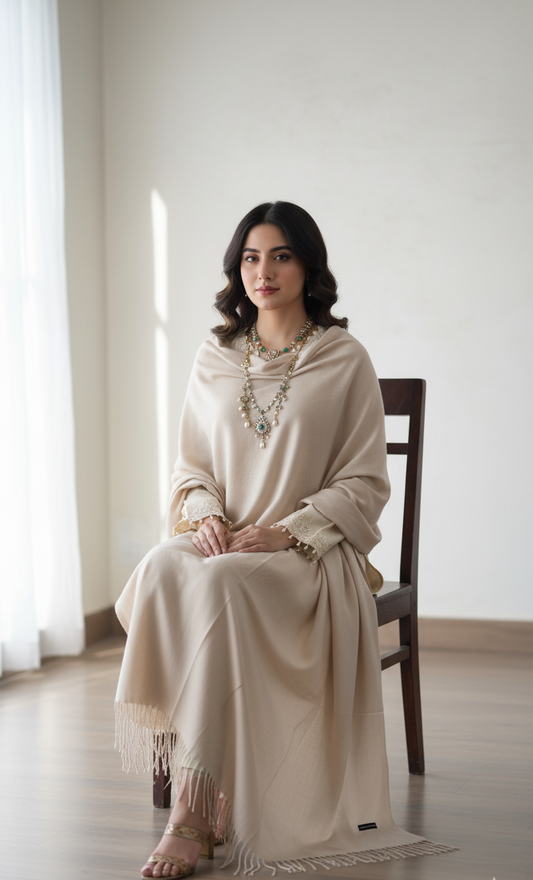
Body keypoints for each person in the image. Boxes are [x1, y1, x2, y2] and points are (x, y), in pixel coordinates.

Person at [114, 202, 453, 878]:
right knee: (160, 565)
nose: (261, 271)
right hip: (228, 539)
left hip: (310, 553)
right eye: (249, 257)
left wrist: (289, 530)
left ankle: (193, 810)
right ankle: (200, 776)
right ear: (235, 269)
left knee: (217, 584)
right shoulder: (215, 355)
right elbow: (192, 466)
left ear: (307, 265)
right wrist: (206, 512)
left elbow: (363, 480)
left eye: (279, 256)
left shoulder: (343, 357)